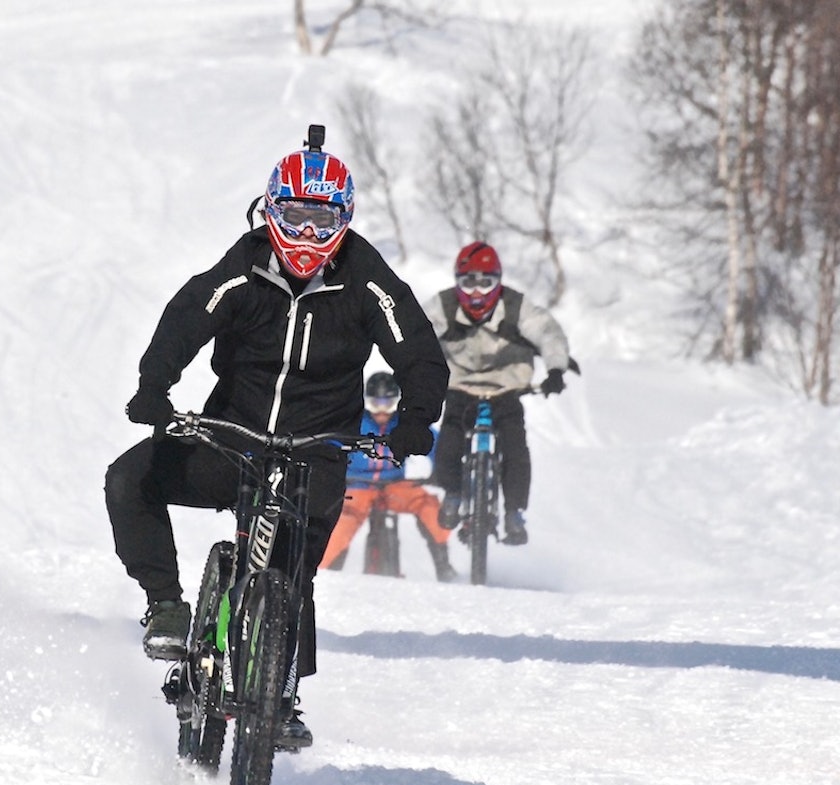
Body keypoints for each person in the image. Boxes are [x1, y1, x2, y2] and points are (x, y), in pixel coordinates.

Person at [104, 131, 448, 750]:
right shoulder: (246, 264)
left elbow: (419, 351)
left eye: (324, 221)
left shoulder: (366, 278)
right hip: (229, 439)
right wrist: (154, 387)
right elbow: (188, 316)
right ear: (270, 210)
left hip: (315, 450)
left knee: (294, 573)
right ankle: (167, 607)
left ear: (344, 221)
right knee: (128, 479)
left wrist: (416, 420)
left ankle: (281, 694)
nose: (308, 239)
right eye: (295, 218)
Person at [422, 241, 570, 546]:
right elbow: (417, 334)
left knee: (515, 446)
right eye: (468, 283)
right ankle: (452, 493)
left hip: (506, 386)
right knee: (449, 437)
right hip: (460, 385)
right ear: (457, 282)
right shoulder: (444, 305)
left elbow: (547, 331)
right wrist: (415, 369)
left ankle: (514, 512)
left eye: (486, 283)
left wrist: (556, 369)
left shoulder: (516, 306)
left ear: (498, 282)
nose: (477, 293)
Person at [320, 371, 457, 582]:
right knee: (343, 521)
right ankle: (326, 570)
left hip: (395, 485)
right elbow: (331, 446)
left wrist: (441, 473)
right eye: (376, 404)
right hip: (358, 487)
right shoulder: (355, 424)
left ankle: (443, 562)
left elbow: (435, 447)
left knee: (428, 505)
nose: (382, 410)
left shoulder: (402, 425)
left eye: (388, 403)